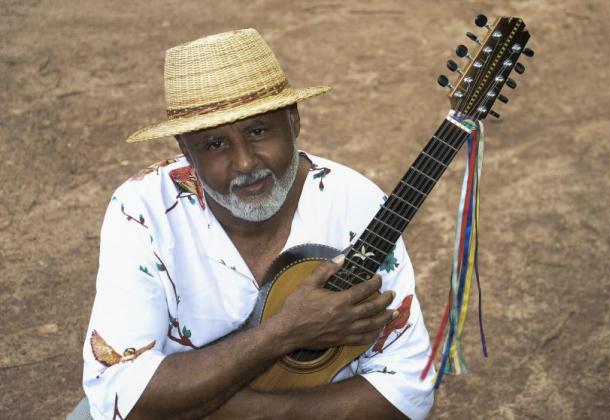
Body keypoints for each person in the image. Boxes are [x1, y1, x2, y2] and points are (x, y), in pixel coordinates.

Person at [78, 29, 435, 419]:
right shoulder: (141, 212)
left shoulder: (355, 205)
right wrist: (285, 332)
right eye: (215, 144)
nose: (246, 163)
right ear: (185, 149)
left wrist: (247, 411)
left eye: (258, 131)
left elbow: (407, 390)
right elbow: (121, 396)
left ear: (293, 121)